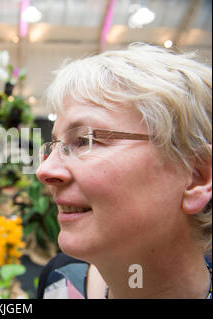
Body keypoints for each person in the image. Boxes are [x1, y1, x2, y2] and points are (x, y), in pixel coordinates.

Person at [36, 43, 212, 299]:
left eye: (86, 140)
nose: (45, 169)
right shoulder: (60, 281)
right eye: (53, 146)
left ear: (195, 176)